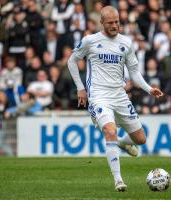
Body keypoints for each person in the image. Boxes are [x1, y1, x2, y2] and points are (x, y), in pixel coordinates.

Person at [67, 6, 163, 192]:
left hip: (119, 95)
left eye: (117, 21)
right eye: (110, 22)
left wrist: (149, 89)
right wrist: (81, 88)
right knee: (110, 131)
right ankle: (118, 180)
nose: (114, 25)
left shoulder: (126, 43)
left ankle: (120, 142)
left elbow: (134, 72)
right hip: (99, 95)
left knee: (141, 139)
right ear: (101, 22)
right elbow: (71, 61)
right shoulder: (90, 41)